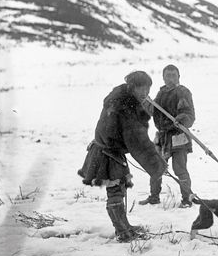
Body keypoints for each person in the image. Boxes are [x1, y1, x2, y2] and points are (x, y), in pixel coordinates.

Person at [78, 71, 167, 242]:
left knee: (118, 189)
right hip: (108, 153)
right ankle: (122, 232)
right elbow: (138, 140)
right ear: (133, 87)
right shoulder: (126, 108)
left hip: (107, 149)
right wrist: (158, 165)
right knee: (116, 190)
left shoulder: (119, 98)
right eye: (143, 89)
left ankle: (125, 227)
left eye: (149, 89)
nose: (146, 93)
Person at [139, 64, 196, 208]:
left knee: (179, 169)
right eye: (167, 75)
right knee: (155, 167)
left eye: (173, 75)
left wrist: (182, 118)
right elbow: (155, 112)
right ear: (163, 77)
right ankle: (153, 197)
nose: (170, 78)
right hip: (162, 137)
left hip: (178, 137)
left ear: (179, 77)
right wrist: (146, 102)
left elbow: (190, 115)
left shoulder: (182, 92)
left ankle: (187, 199)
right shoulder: (161, 93)